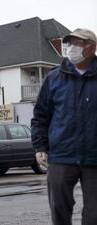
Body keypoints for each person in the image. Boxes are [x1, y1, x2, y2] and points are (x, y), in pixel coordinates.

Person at [31, 28, 97, 225]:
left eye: (78, 43)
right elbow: (41, 115)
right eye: (70, 43)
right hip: (61, 155)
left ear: (91, 47)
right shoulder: (54, 78)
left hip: (94, 157)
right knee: (59, 209)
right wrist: (40, 147)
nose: (71, 48)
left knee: (95, 215)